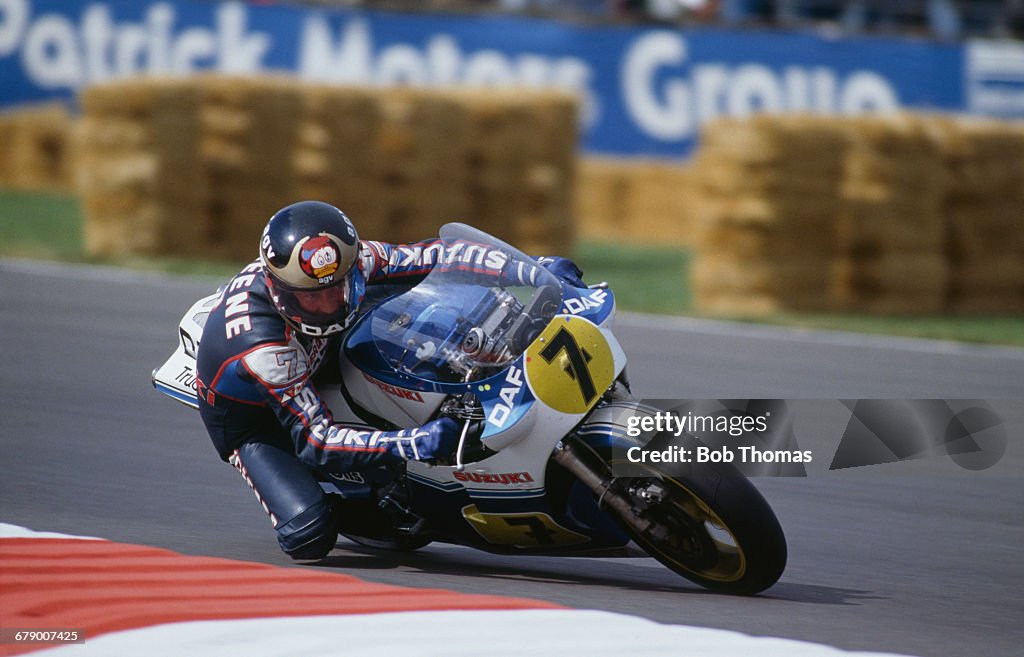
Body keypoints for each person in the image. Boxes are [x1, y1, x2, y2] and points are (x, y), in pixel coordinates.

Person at [195, 200, 584, 560]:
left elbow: (439, 255)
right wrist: (411, 442)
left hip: (320, 349)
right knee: (308, 535)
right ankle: (363, 502)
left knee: (422, 300)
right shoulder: (263, 349)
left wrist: (534, 268)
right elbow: (317, 440)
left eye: (336, 290)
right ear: (279, 290)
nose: (326, 305)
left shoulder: (355, 261)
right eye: (309, 298)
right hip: (257, 415)